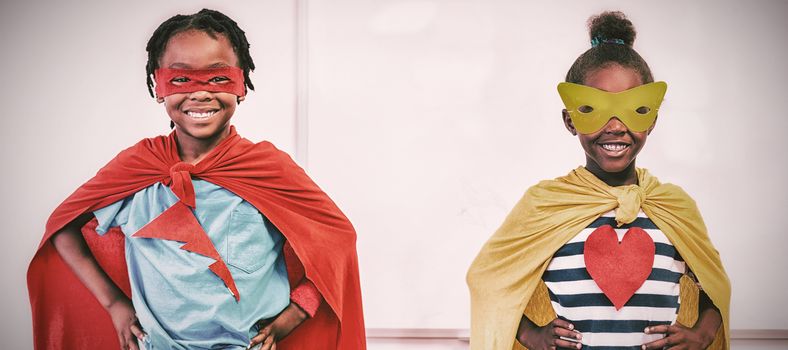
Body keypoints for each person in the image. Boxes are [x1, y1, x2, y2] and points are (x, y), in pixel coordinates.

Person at [27, 9, 365, 350]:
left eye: (218, 79)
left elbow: (337, 238)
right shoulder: (139, 166)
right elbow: (64, 225)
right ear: (158, 88)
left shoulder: (267, 166)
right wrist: (115, 304)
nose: (200, 93)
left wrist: (294, 314)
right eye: (181, 79)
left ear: (242, 85)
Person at [467, 11, 730, 350]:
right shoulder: (546, 204)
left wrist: (704, 333)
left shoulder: (673, 206)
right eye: (595, 110)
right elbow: (487, 278)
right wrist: (531, 333)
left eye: (633, 110)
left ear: (652, 120)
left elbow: (713, 284)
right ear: (570, 120)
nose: (616, 127)